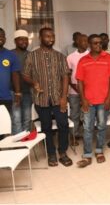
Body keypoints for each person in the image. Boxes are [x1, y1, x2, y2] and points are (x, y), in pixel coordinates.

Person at [23, 27, 72, 167]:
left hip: (58, 98)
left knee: (63, 125)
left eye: (52, 36)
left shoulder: (60, 56)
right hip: (41, 99)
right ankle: (51, 153)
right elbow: (25, 75)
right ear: (40, 38)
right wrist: (34, 82)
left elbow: (65, 77)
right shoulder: (32, 56)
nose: (50, 39)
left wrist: (64, 97)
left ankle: (62, 152)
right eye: (47, 36)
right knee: (46, 127)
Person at [75, 34, 110, 168]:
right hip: (88, 101)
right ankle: (87, 154)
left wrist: (108, 98)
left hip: (103, 101)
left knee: (101, 126)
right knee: (88, 128)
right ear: (89, 45)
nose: (98, 45)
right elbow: (79, 82)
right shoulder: (83, 60)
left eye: (100, 43)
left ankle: (99, 151)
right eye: (95, 43)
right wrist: (83, 100)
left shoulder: (109, 58)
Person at [66, 33, 89, 144]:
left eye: (86, 41)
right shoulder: (70, 57)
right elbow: (68, 75)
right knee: (74, 114)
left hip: (88, 90)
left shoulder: (90, 55)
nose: (85, 43)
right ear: (77, 42)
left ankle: (86, 136)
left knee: (86, 114)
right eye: (83, 41)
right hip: (74, 90)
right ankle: (74, 136)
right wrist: (75, 87)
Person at [0, 28, 21, 135]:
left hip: (5, 96)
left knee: (5, 125)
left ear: (5, 38)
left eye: (2, 36)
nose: (0, 38)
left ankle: (4, 148)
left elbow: (15, 74)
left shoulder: (11, 55)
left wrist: (17, 92)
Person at [11, 30, 30, 134]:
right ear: (15, 41)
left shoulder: (31, 55)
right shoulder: (10, 54)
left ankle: (26, 142)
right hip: (13, 92)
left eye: (26, 39)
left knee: (27, 119)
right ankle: (17, 145)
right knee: (16, 120)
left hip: (27, 91)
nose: (24, 42)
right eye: (21, 39)